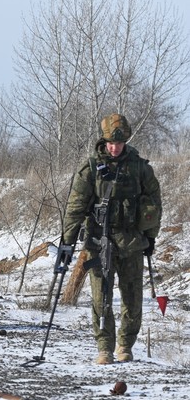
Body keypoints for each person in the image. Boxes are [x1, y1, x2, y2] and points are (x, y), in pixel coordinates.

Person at [61, 113, 161, 365]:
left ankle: (125, 345)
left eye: (119, 143)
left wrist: (151, 237)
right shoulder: (91, 168)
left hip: (132, 241)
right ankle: (104, 348)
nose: (115, 148)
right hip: (99, 241)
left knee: (133, 298)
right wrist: (67, 241)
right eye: (110, 143)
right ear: (104, 141)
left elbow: (154, 202)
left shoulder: (140, 167)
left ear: (126, 141)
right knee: (101, 297)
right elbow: (75, 207)